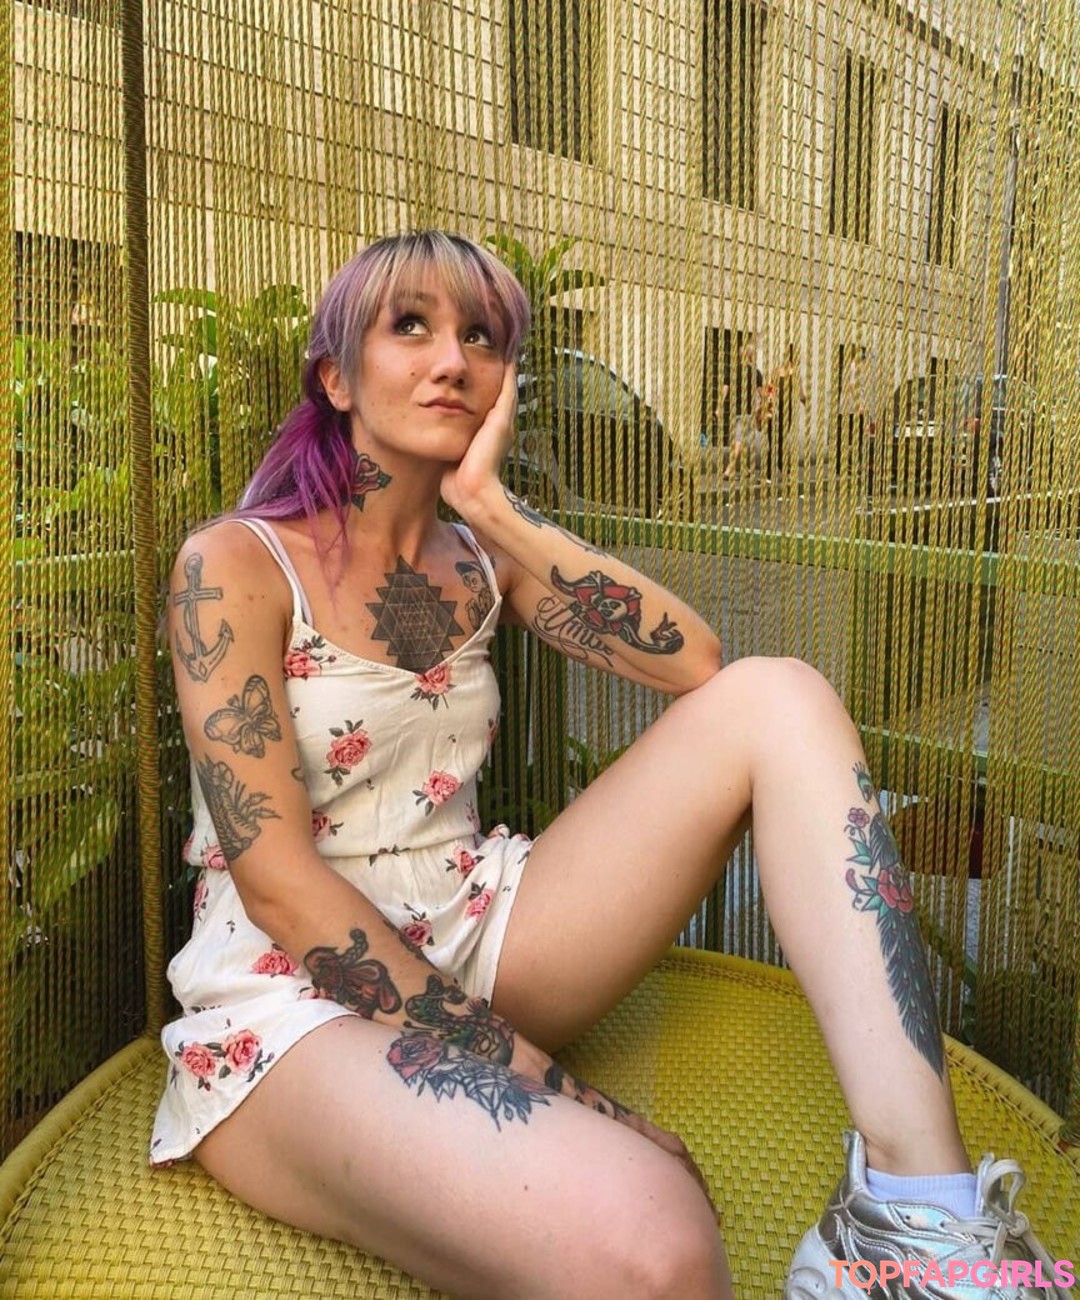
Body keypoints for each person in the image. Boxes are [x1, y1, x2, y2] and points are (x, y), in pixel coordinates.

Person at [150, 231, 1065, 1300]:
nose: (452, 360)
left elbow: (698, 665)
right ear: (335, 377)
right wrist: (562, 1088)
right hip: (293, 997)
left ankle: (917, 1207)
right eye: (410, 326)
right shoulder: (234, 565)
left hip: (476, 929)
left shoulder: (479, 559)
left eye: (481, 337)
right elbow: (277, 883)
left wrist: (492, 507)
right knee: (658, 1240)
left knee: (780, 698)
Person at [722, 335, 764, 482]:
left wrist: (719, 407)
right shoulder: (755, 373)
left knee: (743, 440)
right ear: (751, 356)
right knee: (740, 441)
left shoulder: (732, 371)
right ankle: (729, 470)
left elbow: (724, 390)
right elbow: (762, 394)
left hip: (734, 412)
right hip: (748, 412)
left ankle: (747, 470)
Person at [768, 342, 808, 481]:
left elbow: (770, 390)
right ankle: (781, 468)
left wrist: (770, 401)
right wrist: (806, 402)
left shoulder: (777, 371)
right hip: (784, 408)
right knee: (780, 439)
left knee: (774, 439)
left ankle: (775, 469)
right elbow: (801, 395)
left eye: (785, 354)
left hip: (777, 408)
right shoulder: (795, 374)